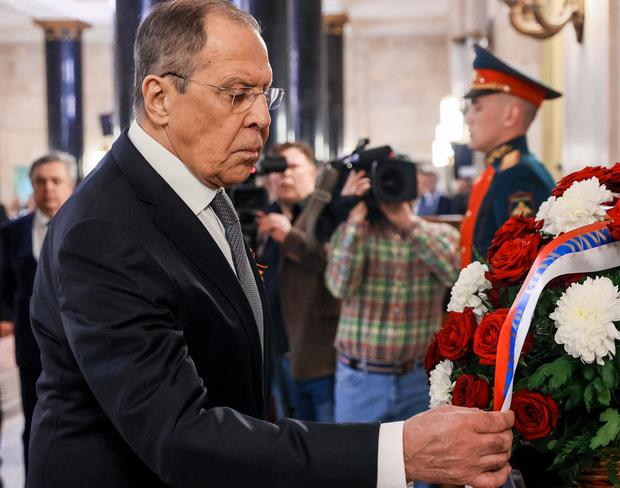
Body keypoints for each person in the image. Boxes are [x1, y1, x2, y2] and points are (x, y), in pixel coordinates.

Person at [27, 2, 514, 487]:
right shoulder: (105, 232)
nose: (262, 117)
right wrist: (399, 452)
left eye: (265, 95)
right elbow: (181, 438)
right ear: (159, 98)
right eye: (236, 94)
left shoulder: (202, 189)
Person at [326, 169, 459, 426]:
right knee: (354, 464)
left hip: (419, 380)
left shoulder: (441, 234)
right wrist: (353, 215)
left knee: (417, 466)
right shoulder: (352, 234)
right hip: (360, 381)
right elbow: (340, 287)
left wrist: (408, 223)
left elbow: (455, 274)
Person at [0, 152, 76, 473]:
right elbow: (4, 283)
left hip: (79, 342)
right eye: (41, 181)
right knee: (35, 420)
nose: (49, 188)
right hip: (31, 345)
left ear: (71, 185)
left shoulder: (87, 226)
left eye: (56, 180)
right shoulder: (13, 232)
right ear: (32, 185)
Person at [257, 141, 339, 422]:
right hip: (277, 350)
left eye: (292, 167)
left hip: (320, 355)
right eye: (277, 169)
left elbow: (332, 265)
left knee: (329, 446)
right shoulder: (262, 216)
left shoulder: (330, 214)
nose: (285, 175)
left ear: (313, 172)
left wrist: (290, 235)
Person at [459, 44, 559, 267]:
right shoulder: (501, 170)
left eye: (477, 108)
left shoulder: (518, 175)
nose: (469, 119)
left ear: (510, 115)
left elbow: (519, 272)